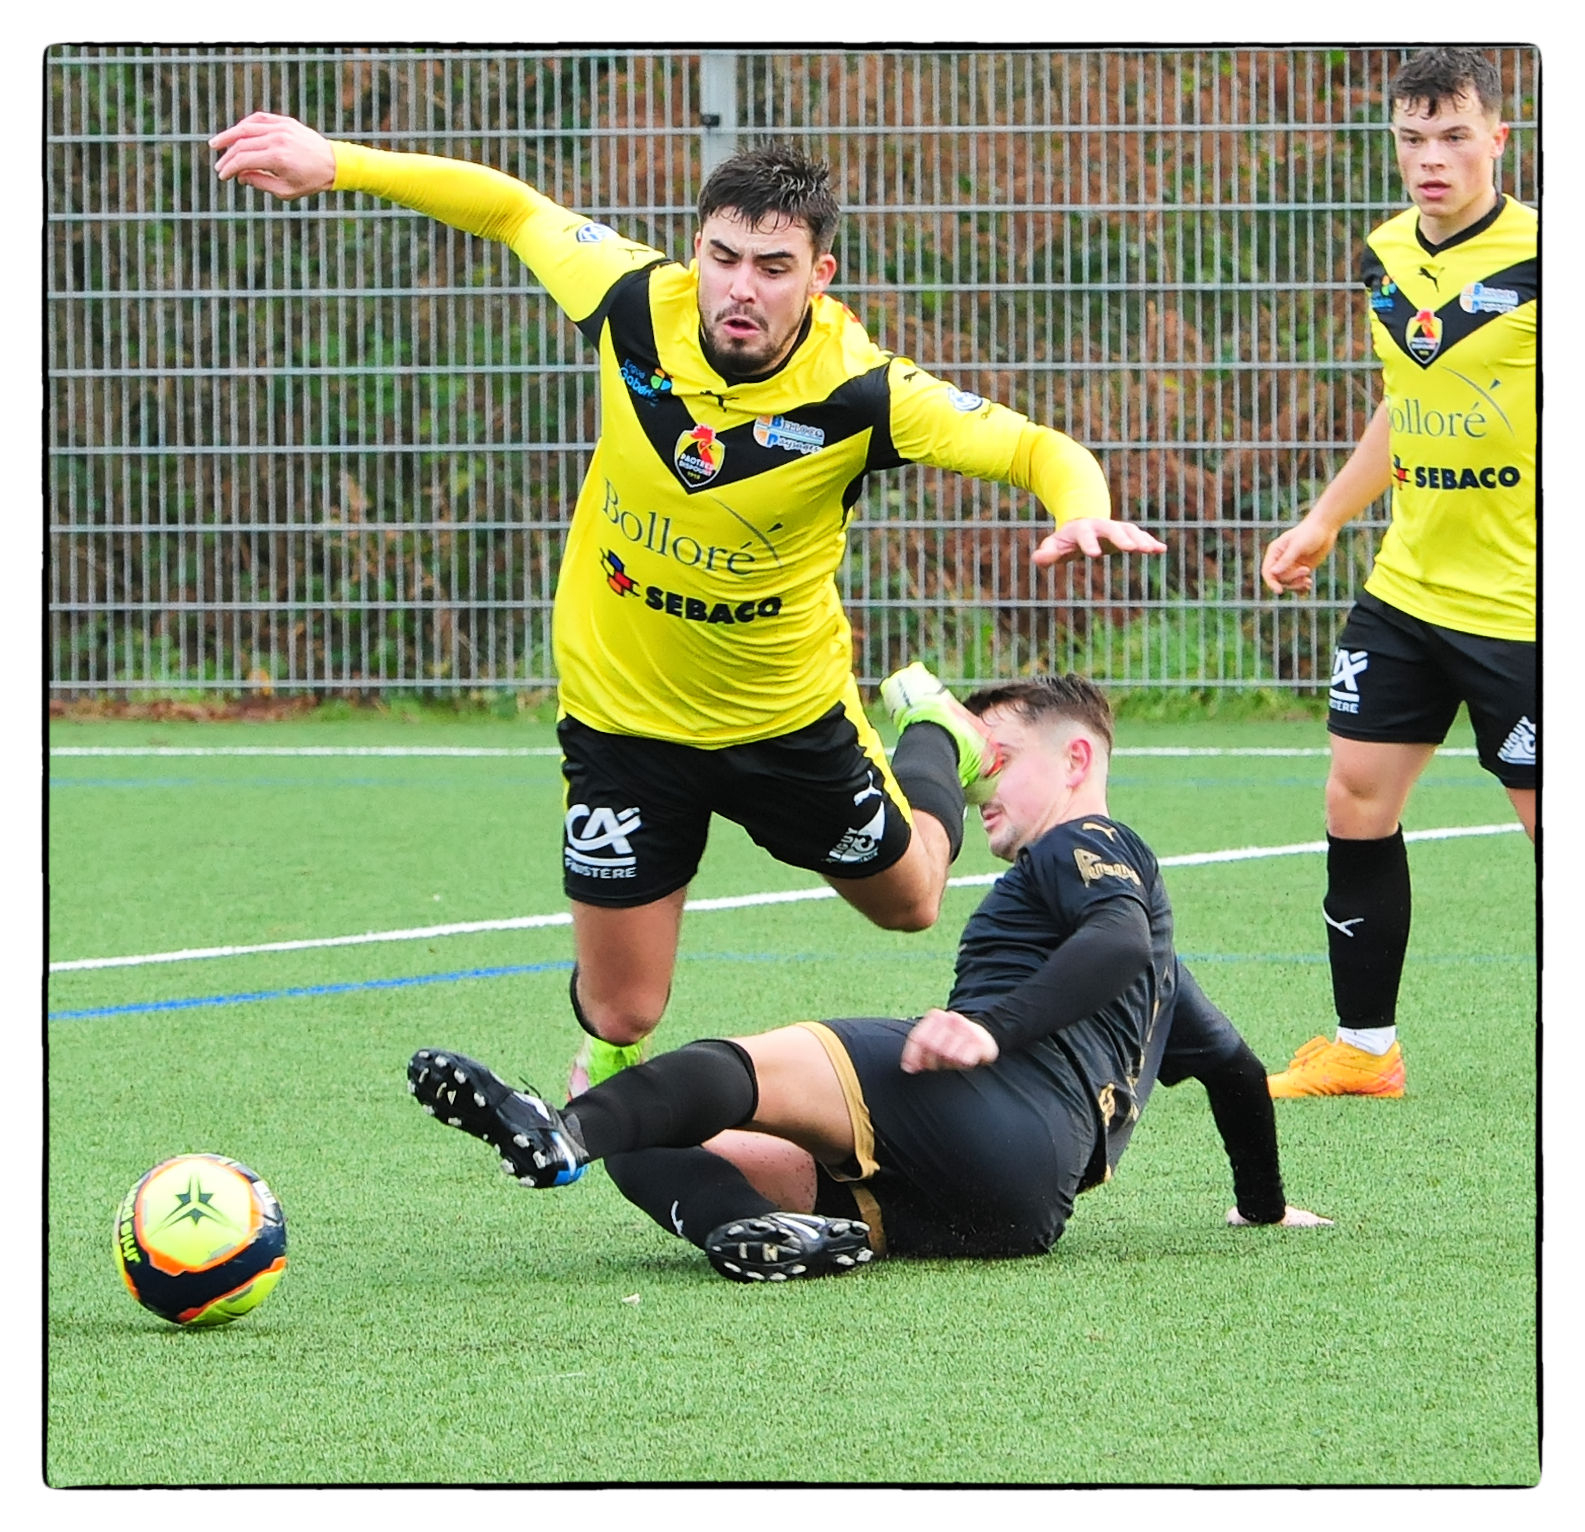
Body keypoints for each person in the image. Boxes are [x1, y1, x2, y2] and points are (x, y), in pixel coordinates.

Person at [210, 113, 1166, 1095]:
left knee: (912, 901)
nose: (741, 287)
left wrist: (1079, 507)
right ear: (695, 248)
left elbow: (1033, 447)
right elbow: (512, 209)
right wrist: (339, 163)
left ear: (819, 276)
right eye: (723, 257)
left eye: (773, 267)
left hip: (783, 717)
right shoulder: (630, 299)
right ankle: (611, 1058)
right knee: (624, 1008)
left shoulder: (862, 392)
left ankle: (935, 735)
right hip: (624, 715)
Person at [407, 675, 1328, 1283]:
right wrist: (1262, 1208)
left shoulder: (1087, 841)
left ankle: (561, 1131)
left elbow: (1117, 936)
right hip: (1010, 1212)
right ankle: (742, 1228)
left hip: (994, 1108)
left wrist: (992, 1027)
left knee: (739, 1066)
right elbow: (1233, 1069)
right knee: (652, 1138)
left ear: (1077, 760)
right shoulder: (1152, 978)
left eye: (998, 763)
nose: (980, 788)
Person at [1260, 47, 1535, 1099]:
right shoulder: (1382, 255)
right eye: (1412, 138)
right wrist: (1326, 518)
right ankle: (1364, 1048)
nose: (1431, 159)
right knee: (1354, 796)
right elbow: (1403, 402)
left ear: (1496, 139)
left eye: (1454, 136)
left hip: (1525, 606)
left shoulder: (1546, 257)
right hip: (1408, 589)